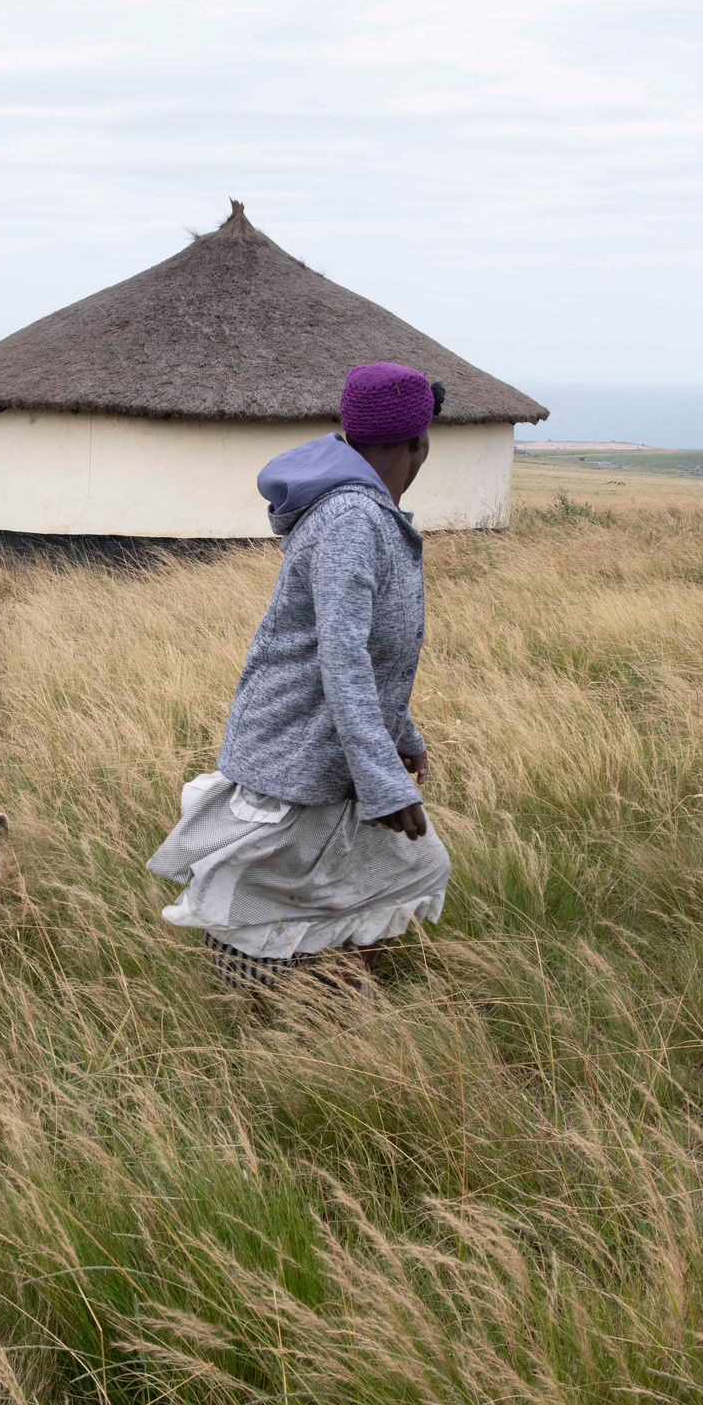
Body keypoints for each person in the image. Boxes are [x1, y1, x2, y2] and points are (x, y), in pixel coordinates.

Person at [148, 361, 451, 989]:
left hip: (325, 749)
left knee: (405, 870)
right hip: (297, 748)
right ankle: (269, 1015)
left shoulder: (365, 515)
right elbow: (343, 658)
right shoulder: (352, 521)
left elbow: (373, 659)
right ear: (419, 444)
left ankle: (318, 1006)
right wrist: (386, 785)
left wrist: (403, 739)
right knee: (265, 895)